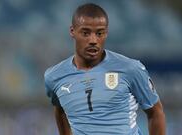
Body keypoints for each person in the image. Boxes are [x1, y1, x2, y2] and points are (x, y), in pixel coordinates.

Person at [44, 3, 166, 135]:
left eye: (99, 33)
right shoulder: (54, 76)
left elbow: (155, 112)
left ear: (106, 33)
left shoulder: (130, 69)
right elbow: (59, 109)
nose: (93, 40)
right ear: (72, 31)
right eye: (85, 33)